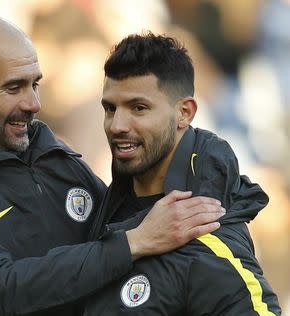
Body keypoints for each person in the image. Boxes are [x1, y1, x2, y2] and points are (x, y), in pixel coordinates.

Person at [0, 14, 225, 315]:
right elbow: (0, 290)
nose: (33, 103)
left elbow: (111, 231)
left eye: (35, 84)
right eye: (14, 88)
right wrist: (135, 242)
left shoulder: (45, 149)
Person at [84, 33, 281, 315]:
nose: (117, 125)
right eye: (110, 108)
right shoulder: (105, 201)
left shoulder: (206, 236)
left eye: (138, 108)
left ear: (184, 113)